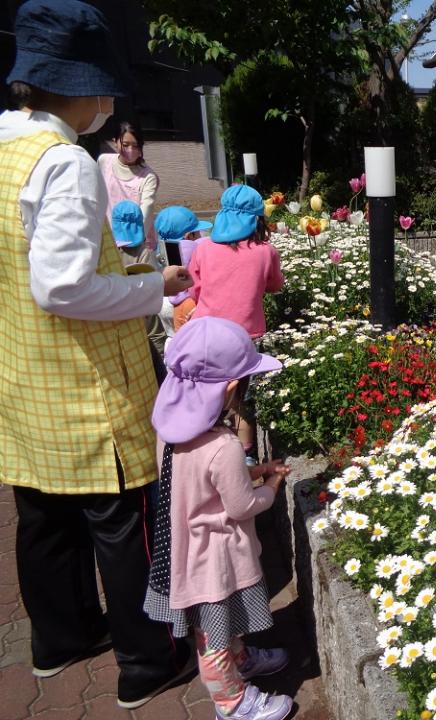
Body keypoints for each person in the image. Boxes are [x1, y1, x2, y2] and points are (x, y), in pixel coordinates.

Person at [0, 0, 193, 707]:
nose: (110, 103)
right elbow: (63, 286)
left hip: (22, 375)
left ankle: (61, 640)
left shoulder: (3, 146)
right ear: (78, 86)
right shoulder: (68, 163)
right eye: (104, 86)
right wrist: (153, 288)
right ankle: (147, 662)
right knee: (121, 522)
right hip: (86, 383)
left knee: (44, 517)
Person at [147, 316, 293, 720]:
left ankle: (241, 658)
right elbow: (242, 507)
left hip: (184, 549)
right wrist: (272, 487)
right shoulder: (224, 446)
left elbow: (198, 484)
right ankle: (232, 703)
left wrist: (251, 472)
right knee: (211, 636)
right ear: (230, 389)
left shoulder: (168, 432)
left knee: (221, 623)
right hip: (213, 561)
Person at [188, 184, 284, 462]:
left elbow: (196, 289)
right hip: (244, 336)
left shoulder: (204, 248)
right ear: (257, 221)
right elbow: (275, 285)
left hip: (206, 334)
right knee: (242, 396)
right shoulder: (266, 252)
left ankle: (209, 449)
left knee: (209, 391)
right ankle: (247, 455)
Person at [111, 199, 170, 358]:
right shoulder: (144, 252)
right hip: (143, 309)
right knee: (155, 338)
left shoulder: (110, 249)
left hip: (116, 308)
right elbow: (156, 280)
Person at [98, 120, 161, 251]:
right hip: (109, 239)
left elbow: (146, 212)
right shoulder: (104, 161)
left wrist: (134, 242)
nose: (130, 150)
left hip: (138, 242)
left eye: (135, 145)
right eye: (125, 145)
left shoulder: (148, 177)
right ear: (115, 142)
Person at [154, 205, 212, 331]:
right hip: (187, 305)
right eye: (198, 232)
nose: (200, 235)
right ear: (189, 236)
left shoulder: (159, 255)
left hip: (163, 305)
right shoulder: (194, 250)